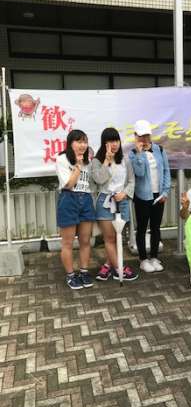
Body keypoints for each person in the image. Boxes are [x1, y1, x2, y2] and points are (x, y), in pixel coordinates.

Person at [92, 127, 138, 281]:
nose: (114, 144)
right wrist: (107, 161)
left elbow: (131, 181)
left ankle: (107, 265)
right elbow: (99, 179)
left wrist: (124, 193)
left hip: (122, 202)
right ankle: (120, 269)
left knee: (118, 237)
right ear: (104, 143)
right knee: (110, 238)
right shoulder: (97, 161)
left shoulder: (125, 160)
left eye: (116, 140)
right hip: (104, 202)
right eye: (110, 141)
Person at [128, 120, 171, 273]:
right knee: (141, 228)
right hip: (142, 196)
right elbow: (139, 173)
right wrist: (140, 154)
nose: (144, 139)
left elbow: (166, 170)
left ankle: (154, 257)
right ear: (136, 136)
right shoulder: (133, 154)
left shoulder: (159, 149)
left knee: (155, 227)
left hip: (159, 195)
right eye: (141, 136)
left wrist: (165, 192)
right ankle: (143, 259)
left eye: (147, 135)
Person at [56, 129, 96, 290]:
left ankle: (84, 272)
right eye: (79, 141)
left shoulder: (88, 161)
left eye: (85, 142)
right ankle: (71, 275)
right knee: (68, 242)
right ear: (70, 143)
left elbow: (93, 183)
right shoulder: (62, 159)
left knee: (85, 241)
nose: (82, 145)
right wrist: (78, 166)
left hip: (86, 199)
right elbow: (69, 184)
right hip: (69, 199)